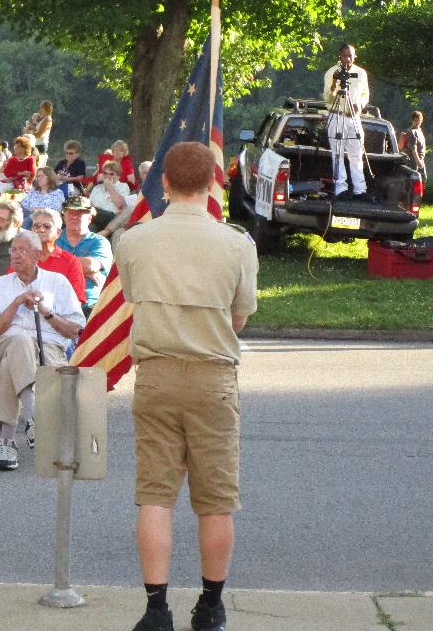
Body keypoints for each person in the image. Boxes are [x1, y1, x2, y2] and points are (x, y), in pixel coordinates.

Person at [116, 142, 258, 631]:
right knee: (216, 500)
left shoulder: (134, 240)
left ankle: (156, 610)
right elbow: (238, 318)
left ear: (166, 184)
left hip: (155, 375)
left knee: (155, 495)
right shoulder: (238, 245)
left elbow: (134, 297)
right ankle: (211, 606)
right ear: (215, 183)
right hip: (213, 377)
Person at [0, 229, 85, 471]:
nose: (15, 255)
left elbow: (74, 330)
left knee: (12, 363)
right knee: (18, 339)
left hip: (47, 346)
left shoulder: (57, 282)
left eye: (22, 250)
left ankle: (7, 442)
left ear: (37, 254)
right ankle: (36, 417)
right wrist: (17, 301)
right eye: (13, 250)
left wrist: (45, 311)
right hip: (5, 342)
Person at [323, 43, 370, 200]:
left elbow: (365, 94)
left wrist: (361, 105)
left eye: (350, 56)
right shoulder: (331, 72)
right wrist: (334, 83)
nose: (347, 59)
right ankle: (341, 189)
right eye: (345, 55)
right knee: (337, 154)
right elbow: (328, 98)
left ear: (354, 56)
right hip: (337, 114)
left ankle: (360, 190)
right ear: (339, 56)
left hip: (354, 117)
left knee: (356, 155)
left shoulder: (361, 73)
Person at [56, 197, 113, 316]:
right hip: (55, 302)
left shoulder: (100, 242)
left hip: (89, 306)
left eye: (80, 213)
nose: (74, 216)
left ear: (89, 217)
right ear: (64, 216)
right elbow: (40, 265)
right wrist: (82, 272)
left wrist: (56, 264)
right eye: (71, 212)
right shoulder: (53, 239)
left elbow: (91, 265)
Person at [27, 209, 86, 305]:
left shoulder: (71, 261)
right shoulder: (22, 258)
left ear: (58, 233)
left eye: (47, 226)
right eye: (36, 226)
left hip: (57, 316)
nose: (41, 230)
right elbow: (11, 293)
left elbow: (75, 302)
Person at [0, 135, 36, 209]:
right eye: (15, 146)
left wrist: (15, 176)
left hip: (20, 183)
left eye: (18, 146)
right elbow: (6, 172)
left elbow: (32, 174)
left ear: (24, 148)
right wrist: (21, 173)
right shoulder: (13, 159)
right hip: (8, 181)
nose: (15, 147)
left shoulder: (30, 160)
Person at [89, 160, 130, 232]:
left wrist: (110, 187)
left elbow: (120, 204)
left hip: (112, 218)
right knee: (88, 229)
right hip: (96, 219)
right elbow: (90, 204)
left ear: (118, 176)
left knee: (93, 211)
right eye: (105, 173)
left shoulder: (123, 187)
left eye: (111, 174)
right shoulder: (97, 188)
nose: (108, 176)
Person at [400, 110, 427, 180]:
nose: (418, 122)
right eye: (416, 120)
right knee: (414, 180)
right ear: (412, 120)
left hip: (420, 160)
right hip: (413, 162)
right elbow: (413, 149)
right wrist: (419, 163)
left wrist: (421, 161)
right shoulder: (412, 132)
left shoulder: (419, 130)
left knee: (424, 179)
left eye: (419, 120)